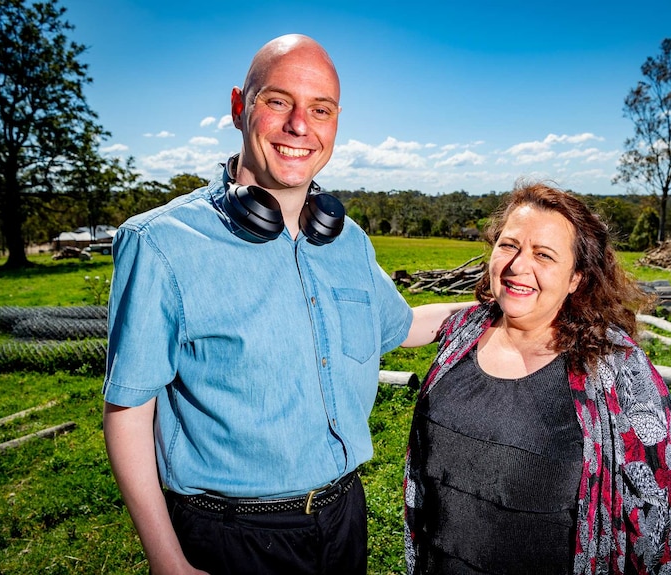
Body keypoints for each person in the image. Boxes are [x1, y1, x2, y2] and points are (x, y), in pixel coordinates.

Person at [102, 34, 467, 575]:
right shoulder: (161, 242)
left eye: (320, 109)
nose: (301, 126)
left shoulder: (348, 241)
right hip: (229, 535)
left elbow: (404, 325)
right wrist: (167, 560)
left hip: (344, 518)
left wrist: (502, 307)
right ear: (237, 107)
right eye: (278, 101)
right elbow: (129, 410)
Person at [404, 181, 671, 574]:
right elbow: (392, 324)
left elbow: (657, 515)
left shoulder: (617, 370)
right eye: (509, 245)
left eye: (544, 255)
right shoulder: (464, 331)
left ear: (577, 278)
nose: (519, 265)